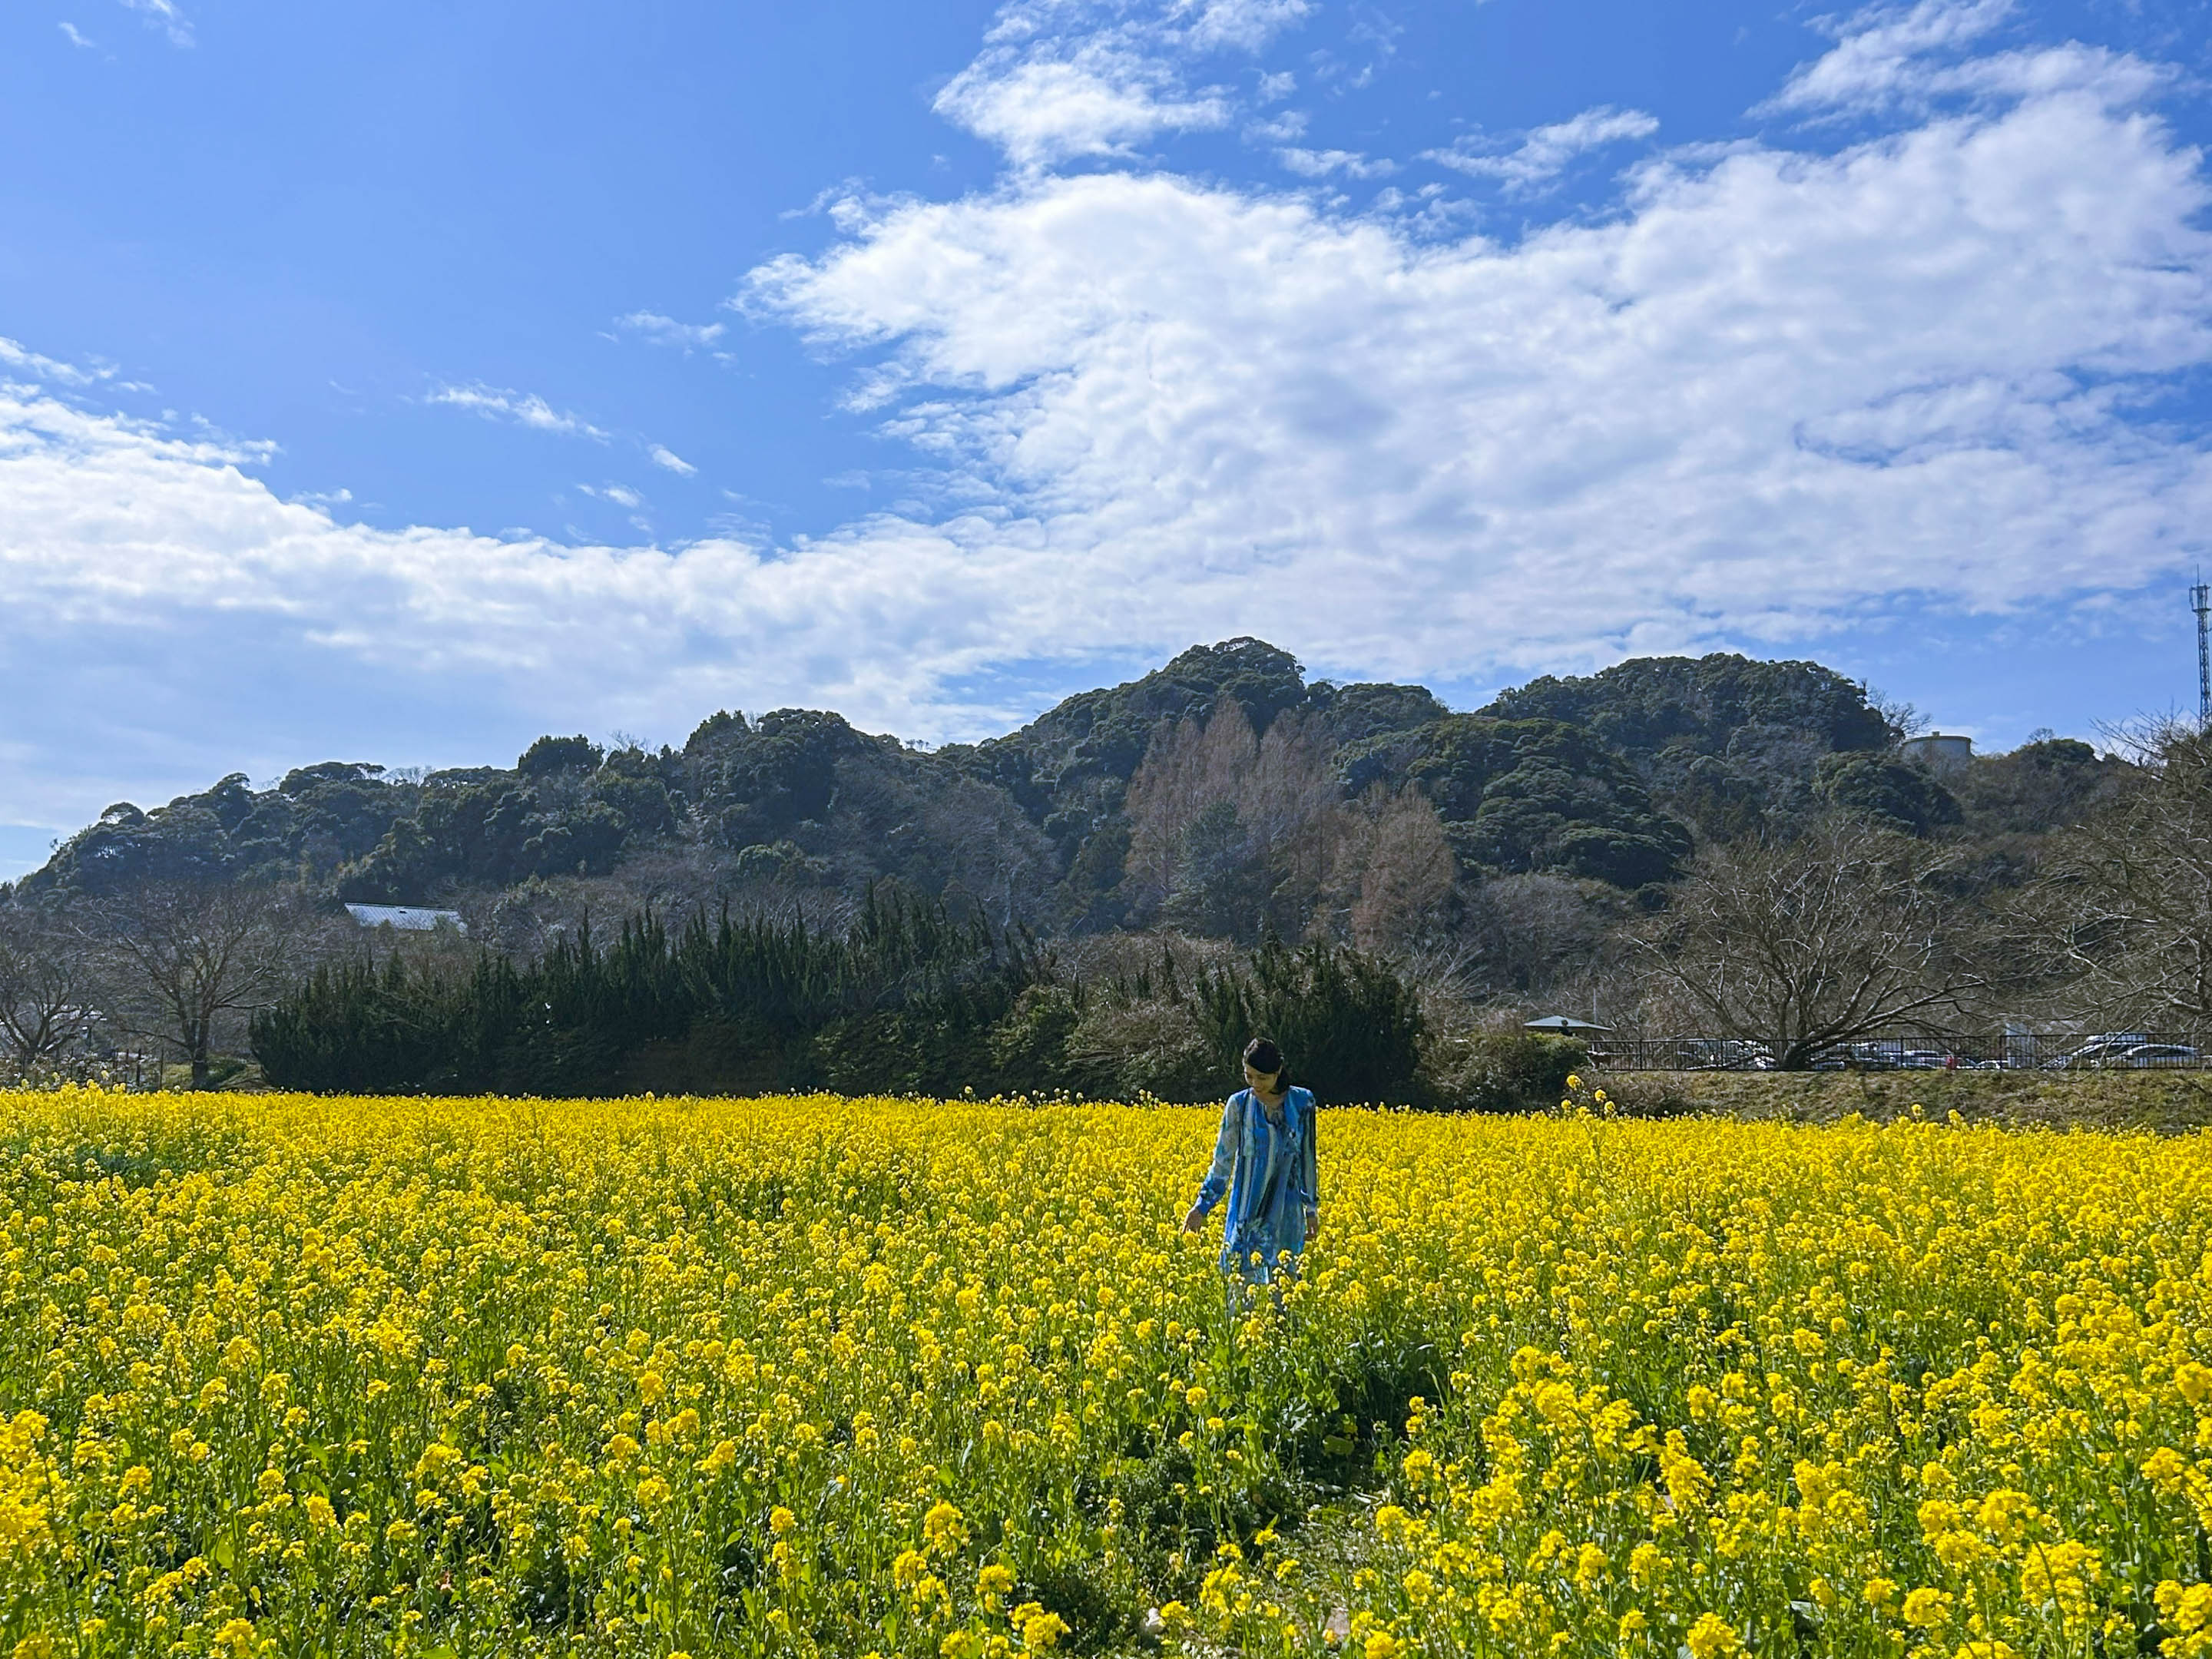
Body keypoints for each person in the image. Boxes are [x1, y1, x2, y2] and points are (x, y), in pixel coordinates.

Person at [1181, 1037, 1320, 1296]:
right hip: (1247, 1207)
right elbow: (1223, 1161)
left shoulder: (1303, 1103)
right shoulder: (1239, 1105)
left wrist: (1311, 1209)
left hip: (1287, 1210)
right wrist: (1202, 1206)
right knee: (1241, 1287)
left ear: (1278, 1072)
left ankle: (1284, 1335)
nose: (1255, 1085)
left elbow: (1308, 1159)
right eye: (1249, 1076)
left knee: (1286, 1288)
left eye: (1262, 1078)